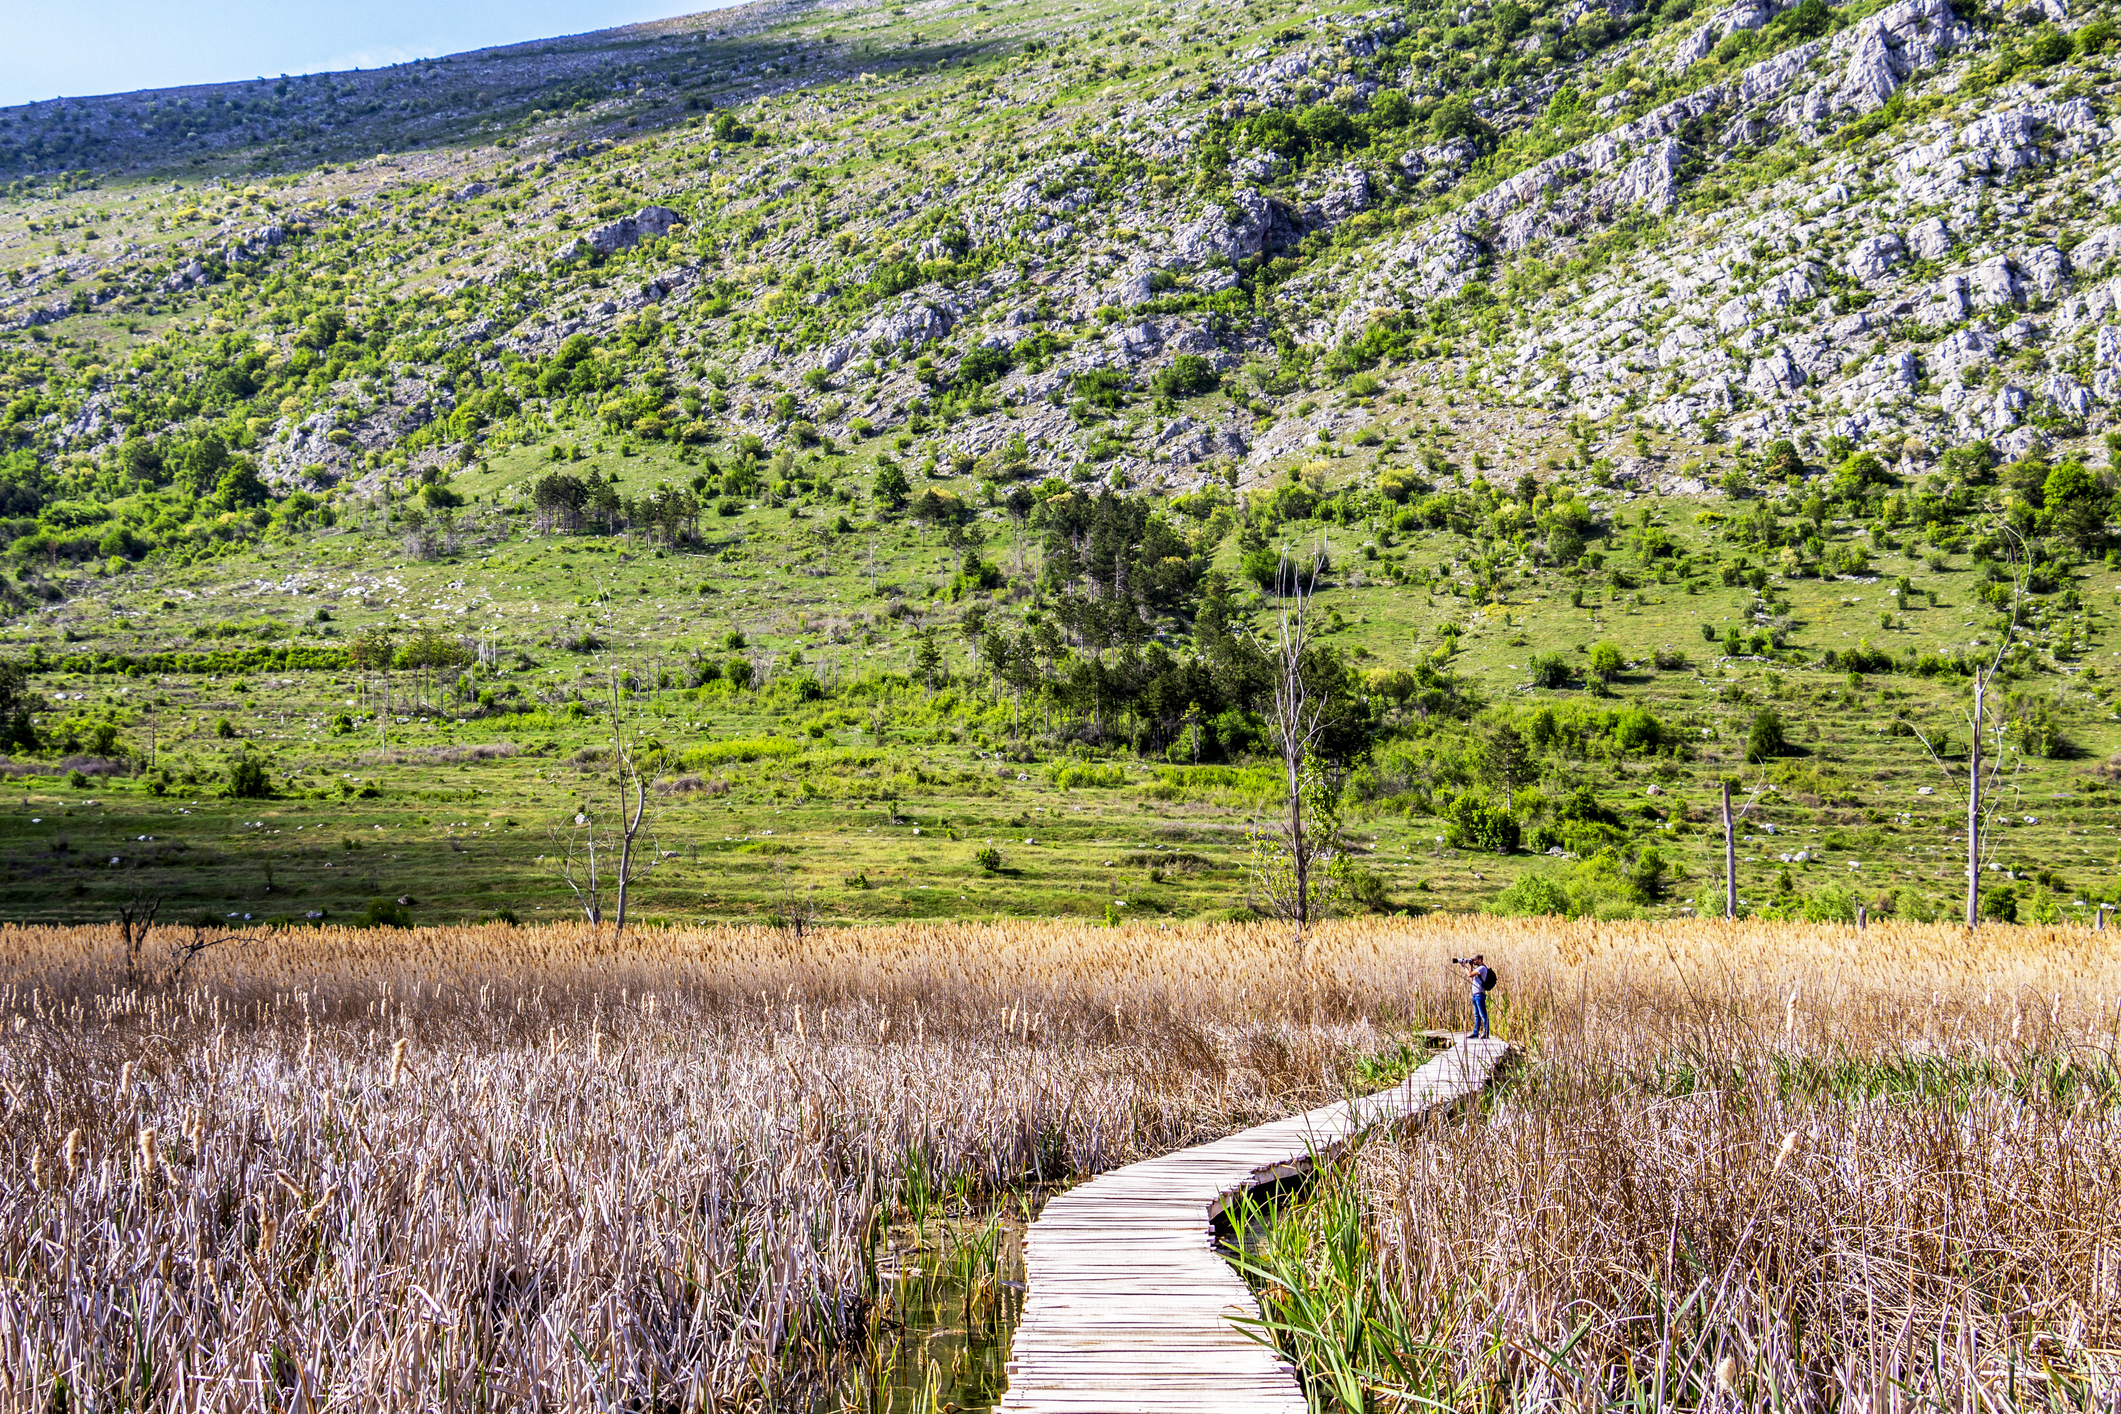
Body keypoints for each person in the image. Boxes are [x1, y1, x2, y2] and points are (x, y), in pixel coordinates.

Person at [1457, 954, 1496, 1040]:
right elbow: (1472, 976)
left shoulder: (1482, 968)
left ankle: (1486, 1033)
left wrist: (1464, 967)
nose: (1473, 961)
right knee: (1476, 1014)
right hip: (1475, 994)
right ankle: (1476, 1032)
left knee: (1483, 1014)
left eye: (1475, 960)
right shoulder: (1478, 968)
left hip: (1479, 994)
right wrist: (1470, 966)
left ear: (1480, 959)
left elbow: (1470, 975)